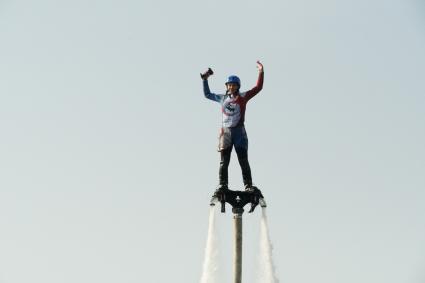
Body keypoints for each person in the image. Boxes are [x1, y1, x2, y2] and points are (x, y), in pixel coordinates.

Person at [201, 61, 264, 193]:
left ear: (238, 86)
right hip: (226, 133)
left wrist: (261, 71)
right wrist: (205, 80)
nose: (231, 87)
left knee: (243, 160)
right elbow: (207, 94)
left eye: (234, 85)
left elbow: (258, 88)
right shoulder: (222, 98)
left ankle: (248, 185)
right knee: (224, 161)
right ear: (227, 86)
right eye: (229, 85)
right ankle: (223, 184)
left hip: (239, 132)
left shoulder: (243, 96)